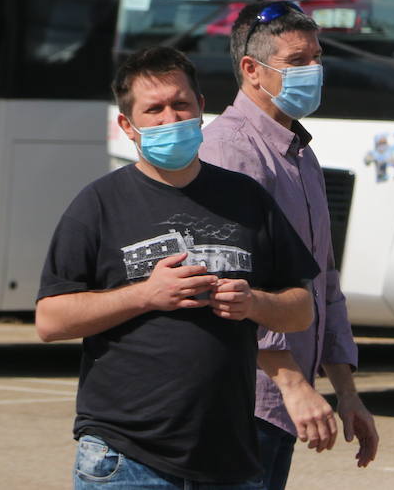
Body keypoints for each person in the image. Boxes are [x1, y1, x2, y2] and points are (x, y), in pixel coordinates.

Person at [37, 46, 320, 490]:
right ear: (128, 126)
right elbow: (50, 320)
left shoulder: (247, 200)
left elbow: (301, 308)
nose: (171, 118)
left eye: (180, 103)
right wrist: (145, 295)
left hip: (229, 456)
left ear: (200, 107)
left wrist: (254, 303)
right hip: (126, 456)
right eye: (154, 109)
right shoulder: (98, 204)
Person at [199, 0, 380, 487]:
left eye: (318, 57)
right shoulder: (228, 150)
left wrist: (346, 390)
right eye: (298, 61)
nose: (314, 70)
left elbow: (324, 282)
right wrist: (292, 382)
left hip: (280, 407)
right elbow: (228, 287)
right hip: (242, 405)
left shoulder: (300, 155)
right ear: (251, 70)